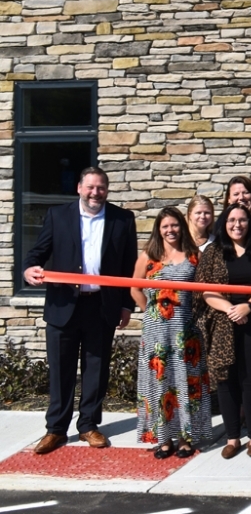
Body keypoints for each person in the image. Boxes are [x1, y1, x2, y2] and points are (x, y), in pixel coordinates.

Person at [23, 166, 137, 455]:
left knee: (96, 370)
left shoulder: (122, 219)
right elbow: (38, 253)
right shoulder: (57, 216)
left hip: (101, 305)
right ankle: (56, 430)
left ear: (106, 190)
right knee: (60, 370)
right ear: (79, 188)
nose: (95, 192)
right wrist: (28, 269)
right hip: (63, 305)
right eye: (90, 187)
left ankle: (88, 425)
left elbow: (128, 265)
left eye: (100, 188)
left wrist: (126, 303)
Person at [194, 202, 251, 459]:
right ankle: (232, 438)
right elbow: (204, 289)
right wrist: (230, 308)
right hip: (222, 323)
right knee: (226, 379)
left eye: (242, 220)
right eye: (231, 220)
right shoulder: (213, 252)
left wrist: (248, 306)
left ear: (250, 223)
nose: (237, 225)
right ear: (224, 224)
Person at [131, 207, 212, 459]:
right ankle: (164, 438)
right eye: (165, 226)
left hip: (186, 333)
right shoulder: (149, 255)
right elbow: (135, 288)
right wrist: (151, 314)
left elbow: (204, 292)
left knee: (185, 384)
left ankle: (186, 438)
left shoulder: (194, 255)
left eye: (175, 225)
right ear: (158, 229)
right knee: (160, 384)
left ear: (182, 226)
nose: (170, 230)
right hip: (157, 335)